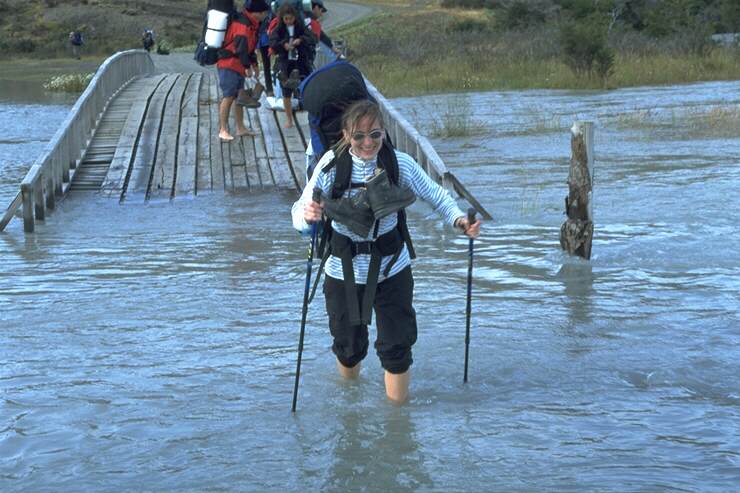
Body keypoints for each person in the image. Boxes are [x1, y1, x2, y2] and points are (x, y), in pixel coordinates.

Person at [291, 100, 481, 403]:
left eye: (375, 134)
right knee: (349, 348)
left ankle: (398, 423)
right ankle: (350, 404)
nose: (368, 143)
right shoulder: (330, 165)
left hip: (392, 268)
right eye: (359, 136)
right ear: (345, 135)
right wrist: (308, 216)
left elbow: (436, 195)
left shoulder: (399, 164)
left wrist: (459, 220)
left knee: (397, 348)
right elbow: (300, 214)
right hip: (343, 270)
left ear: (383, 133)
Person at [215, 0, 271, 142]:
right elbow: (241, 49)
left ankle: (240, 128)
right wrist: (247, 67)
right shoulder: (243, 25)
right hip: (229, 64)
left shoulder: (251, 24)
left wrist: (254, 64)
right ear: (257, 13)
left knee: (239, 96)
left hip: (237, 65)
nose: (265, 16)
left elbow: (250, 48)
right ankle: (223, 129)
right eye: (264, 13)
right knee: (228, 96)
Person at [268, 3, 316, 128]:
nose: (289, 21)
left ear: (295, 17)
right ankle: (289, 119)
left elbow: (312, 37)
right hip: (285, 63)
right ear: (282, 19)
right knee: (286, 92)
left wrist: (300, 40)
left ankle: (312, 116)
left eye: (291, 18)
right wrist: (284, 45)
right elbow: (272, 42)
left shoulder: (301, 27)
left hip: (301, 63)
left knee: (307, 88)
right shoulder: (278, 29)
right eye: (286, 19)